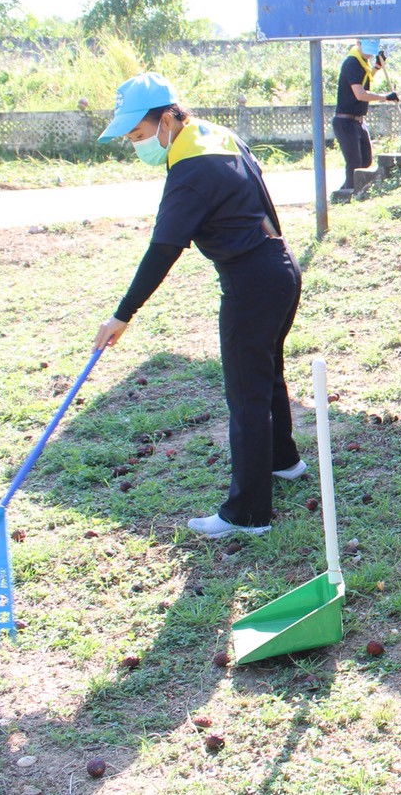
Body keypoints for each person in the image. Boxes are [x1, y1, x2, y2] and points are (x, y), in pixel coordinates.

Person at [93, 72, 304, 538]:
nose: (136, 144)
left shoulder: (189, 170)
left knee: (246, 393)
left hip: (251, 281)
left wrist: (123, 313)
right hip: (280, 266)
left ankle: (247, 515)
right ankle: (283, 460)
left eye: (139, 134)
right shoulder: (217, 137)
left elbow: (164, 248)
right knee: (267, 372)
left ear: (167, 119)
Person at [334, 38, 399, 191]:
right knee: (355, 164)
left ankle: (346, 192)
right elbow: (360, 94)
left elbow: (365, 80)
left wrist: (376, 67)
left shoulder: (362, 63)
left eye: (372, 51)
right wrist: (385, 97)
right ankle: (348, 195)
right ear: (358, 43)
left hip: (358, 121)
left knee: (366, 161)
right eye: (368, 50)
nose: (370, 55)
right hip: (346, 122)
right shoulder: (352, 63)